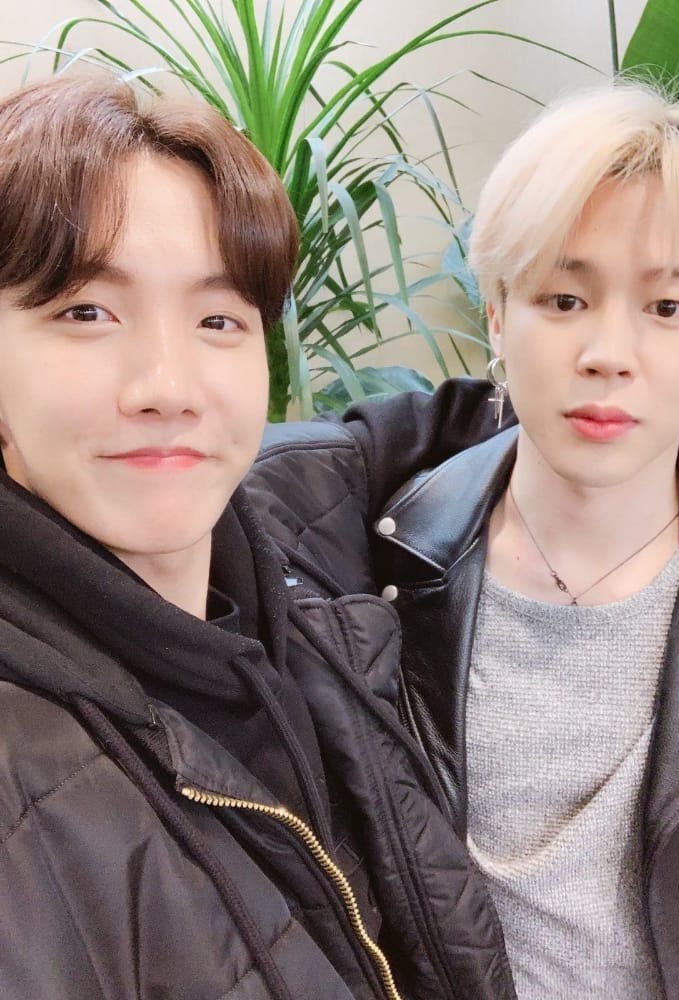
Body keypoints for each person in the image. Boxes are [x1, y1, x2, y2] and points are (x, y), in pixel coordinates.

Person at [0, 76, 516, 1000]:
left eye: (218, 319)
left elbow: (418, 429)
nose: (168, 387)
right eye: (85, 312)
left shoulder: (276, 529)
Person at [248, 83, 679, 999]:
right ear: (495, 313)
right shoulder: (380, 556)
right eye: (564, 298)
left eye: (669, 308)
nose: (609, 351)